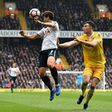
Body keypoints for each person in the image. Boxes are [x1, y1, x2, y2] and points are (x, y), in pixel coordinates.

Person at [58, 21, 106, 109]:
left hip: (99, 66)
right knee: (85, 82)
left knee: (92, 86)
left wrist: (80, 40)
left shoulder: (97, 35)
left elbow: (93, 44)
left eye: (85, 26)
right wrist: (59, 45)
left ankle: (86, 103)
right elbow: (71, 43)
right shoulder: (82, 37)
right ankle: (82, 94)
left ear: (91, 27)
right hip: (89, 65)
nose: (83, 28)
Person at [19, 11, 60, 101]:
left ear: (48, 17)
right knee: (41, 74)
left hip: (52, 48)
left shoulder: (55, 24)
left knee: (50, 64)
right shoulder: (44, 30)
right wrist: (24, 35)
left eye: (44, 17)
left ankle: (57, 85)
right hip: (43, 51)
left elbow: (52, 25)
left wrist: (40, 22)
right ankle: (51, 89)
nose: (43, 19)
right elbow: (33, 37)